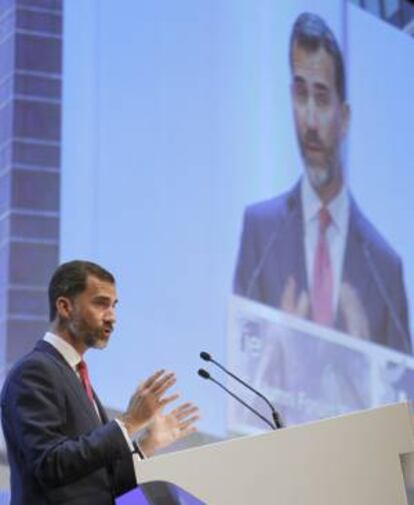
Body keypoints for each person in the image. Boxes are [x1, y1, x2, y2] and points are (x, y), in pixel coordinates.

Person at [233, 12, 411, 354]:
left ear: (344, 118)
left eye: (322, 97)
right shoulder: (259, 231)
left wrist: (362, 365)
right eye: (301, 95)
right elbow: (238, 356)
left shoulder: (385, 266)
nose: (310, 120)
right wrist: (272, 350)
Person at [1, 260, 199, 505]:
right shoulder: (34, 371)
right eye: (101, 303)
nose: (112, 317)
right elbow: (50, 465)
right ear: (64, 307)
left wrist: (145, 445)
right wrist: (129, 422)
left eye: (114, 306)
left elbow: (93, 479)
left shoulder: (74, 373)